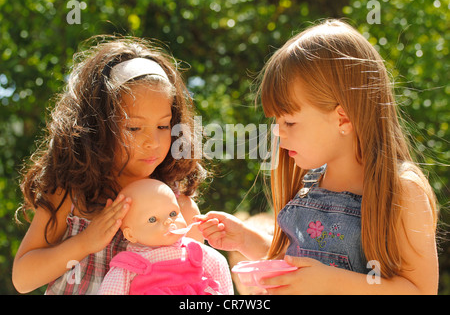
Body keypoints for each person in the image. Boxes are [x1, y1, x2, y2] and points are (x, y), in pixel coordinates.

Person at [196, 19, 439, 294]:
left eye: (289, 122)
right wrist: (246, 240)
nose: (277, 133)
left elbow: (420, 290)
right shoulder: (309, 184)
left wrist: (332, 283)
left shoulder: (401, 189)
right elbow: (300, 269)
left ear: (342, 118)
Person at [13, 37, 207, 294]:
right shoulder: (70, 196)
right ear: (96, 129)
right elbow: (23, 278)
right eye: (134, 128)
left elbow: (199, 279)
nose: (152, 142)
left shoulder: (176, 206)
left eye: (163, 126)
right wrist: (85, 243)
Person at [98, 179, 233, 295]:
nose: (168, 221)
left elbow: (219, 266)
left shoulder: (193, 250)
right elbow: (111, 290)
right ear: (130, 235)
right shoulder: (131, 264)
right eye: (152, 219)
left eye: (173, 213)